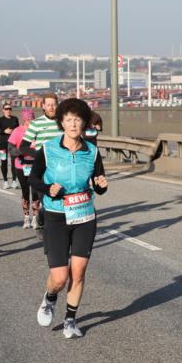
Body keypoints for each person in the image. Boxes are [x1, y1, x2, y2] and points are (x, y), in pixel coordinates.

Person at [29, 98, 108, 339]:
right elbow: (33, 179)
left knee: (79, 271)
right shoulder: (48, 149)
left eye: (77, 119)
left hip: (84, 215)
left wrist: (102, 185)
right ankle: (50, 298)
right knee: (60, 278)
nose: (73, 124)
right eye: (69, 119)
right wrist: (47, 188)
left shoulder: (92, 151)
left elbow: (99, 183)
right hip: (56, 216)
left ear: (84, 123)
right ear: (61, 123)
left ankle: (70, 321)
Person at [20, 93, 63, 232]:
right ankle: (46, 225)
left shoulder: (64, 122)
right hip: (44, 170)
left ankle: (58, 229)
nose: (51, 107)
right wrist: (39, 155)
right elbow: (23, 147)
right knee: (46, 200)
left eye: (53, 104)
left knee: (61, 200)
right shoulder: (36, 123)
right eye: (48, 104)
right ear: (43, 106)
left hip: (62, 168)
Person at [8, 109, 39, 229]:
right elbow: (11, 149)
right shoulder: (17, 131)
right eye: (29, 119)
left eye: (33, 119)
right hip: (21, 166)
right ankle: (26, 218)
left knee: (35, 192)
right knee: (25, 191)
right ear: (24, 120)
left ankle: (35, 218)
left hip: (35, 165)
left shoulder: (37, 131)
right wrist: (24, 149)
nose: (31, 121)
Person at [0, 102, 21, 189]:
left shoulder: (15, 119)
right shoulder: (0, 120)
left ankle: (14, 181)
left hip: (13, 143)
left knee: (14, 162)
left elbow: (18, 130)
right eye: (6, 109)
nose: (8, 110)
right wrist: (4, 131)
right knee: (4, 162)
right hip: (2, 144)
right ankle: (5, 181)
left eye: (9, 109)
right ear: (3, 110)